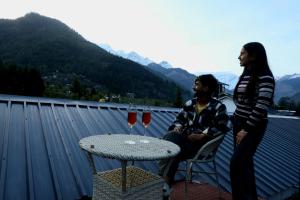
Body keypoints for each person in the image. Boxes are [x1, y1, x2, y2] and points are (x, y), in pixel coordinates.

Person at [158, 74, 230, 199]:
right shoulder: (190, 104)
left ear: (206, 88)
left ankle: (162, 184)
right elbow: (178, 120)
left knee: (171, 147)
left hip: (200, 147)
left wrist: (203, 135)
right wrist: (177, 126)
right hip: (183, 140)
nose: (194, 87)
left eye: (197, 84)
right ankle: (165, 188)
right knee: (173, 144)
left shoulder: (218, 107)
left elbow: (222, 126)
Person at [230, 42, 275, 200]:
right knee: (245, 164)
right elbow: (242, 101)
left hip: (252, 127)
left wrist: (246, 128)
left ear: (253, 56)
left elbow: (261, 106)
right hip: (238, 123)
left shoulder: (266, 77)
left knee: (237, 163)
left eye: (242, 53)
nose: (239, 56)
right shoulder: (246, 75)